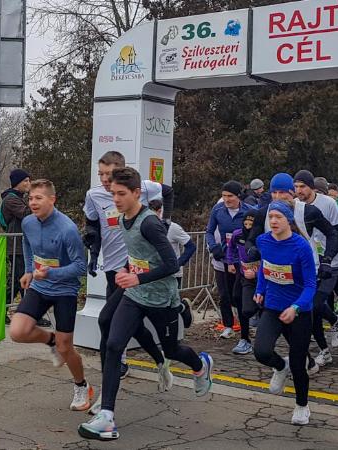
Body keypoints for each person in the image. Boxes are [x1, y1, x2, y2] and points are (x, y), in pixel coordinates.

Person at [79, 168, 213, 441]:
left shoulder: (150, 223)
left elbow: (171, 264)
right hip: (135, 295)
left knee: (173, 349)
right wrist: (123, 268)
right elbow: (139, 254)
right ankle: (107, 416)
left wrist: (137, 278)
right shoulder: (121, 217)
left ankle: (200, 365)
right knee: (114, 344)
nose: (114, 199)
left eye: (121, 194)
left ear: (137, 193)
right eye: (112, 193)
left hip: (161, 298)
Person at [82, 151, 171, 412]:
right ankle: (159, 361)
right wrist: (93, 250)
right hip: (116, 269)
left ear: (121, 172)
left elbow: (168, 191)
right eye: (100, 175)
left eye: (108, 175)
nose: (105, 181)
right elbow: (93, 225)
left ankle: (106, 398)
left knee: (107, 322)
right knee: (125, 326)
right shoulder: (94, 195)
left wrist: (165, 222)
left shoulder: (141, 189)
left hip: (139, 272)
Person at [9, 179, 92, 411]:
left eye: (39, 198)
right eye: (31, 198)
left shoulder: (67, 229)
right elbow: (27, 243)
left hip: (65, 290)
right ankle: (51, 340)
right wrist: (28, 270)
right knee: (17, 331)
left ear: (52, 200)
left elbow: (80, 268)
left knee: (67, 349)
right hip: (40, 286)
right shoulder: (28, 223)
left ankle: (81, 386)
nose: (33, 202)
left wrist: (51, 274)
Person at [246, 173, 338, 372]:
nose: (279, 197)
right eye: (274, 193)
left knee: (308, 310)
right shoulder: (264, 213)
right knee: (284, 321)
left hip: (306, 270)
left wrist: (327, 259)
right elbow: (252, 238)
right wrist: (251, 250)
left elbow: (333, 233)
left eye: (284, 192)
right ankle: (306, 361)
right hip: (276, 275)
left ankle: (321, 345)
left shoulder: (309, 211)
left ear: (292, 192)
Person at [253, 200, 317, 425]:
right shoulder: (264, 241)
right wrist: (260, 289)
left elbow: (311, 284)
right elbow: (264, 267)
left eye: (278, 217)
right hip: (272, 306)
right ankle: (281, 366)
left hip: (299, 311)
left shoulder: (301, 246)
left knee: (300, 364)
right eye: (271, 217)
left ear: (288, 220)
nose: (273, 221)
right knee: (261, 351)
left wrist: (296, 307)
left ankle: (302, 405)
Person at [294, 170, 338, 368]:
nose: (299, 191)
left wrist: (328, 257)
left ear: (312, 188)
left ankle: (335, 319)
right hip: (309, 263)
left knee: (314, 305)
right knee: (310, 308)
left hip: (330, 264)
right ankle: (325, 351)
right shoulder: (296, 206)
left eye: (302, 187)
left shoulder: (328, 203)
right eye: (296, 187)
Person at [1, 169, 51, 326]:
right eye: (26, 181)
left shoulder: (20, 198)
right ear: (18, 183)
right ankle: (2, 310)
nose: (28, 184)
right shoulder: (11, 200)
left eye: (29, 181)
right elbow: (27, 214)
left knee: (23, 280)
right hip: (15, 247)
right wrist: (41, 201)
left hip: (24, 245)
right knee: (18, 280)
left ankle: (29, 313)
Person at [205, 181, 254, 339]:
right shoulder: (218, 210)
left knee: (238, 296)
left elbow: (256, 233)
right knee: (224, 294)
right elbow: (209, 231)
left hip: (242, 260)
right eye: (224, 196)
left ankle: (245, 326)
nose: (226, 199)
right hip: (222, 258)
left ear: (238, 196)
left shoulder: (250, 211)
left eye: (230, 196)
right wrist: (213, 246)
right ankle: (228, 325)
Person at [150, 198, 195, 328]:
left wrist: (178, 263)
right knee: (158, 306)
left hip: (172, 274)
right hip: (154, 272)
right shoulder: (145, 227)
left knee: (169, 306)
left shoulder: (173, 228)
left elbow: (191, 246)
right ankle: (181, 308)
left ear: (160, 212)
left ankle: (181, 311)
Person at [227, 210, 259, 355]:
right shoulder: (237, 234)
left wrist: (257, 272)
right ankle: (244, 338)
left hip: (260, 276)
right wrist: (231, 262)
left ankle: (262, 330)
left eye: (251, 224)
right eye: (245, 224)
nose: (247, 227)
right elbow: (231, 247)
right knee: (236, 298)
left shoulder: (261, 237)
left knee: (255, 306)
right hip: (243, 272)